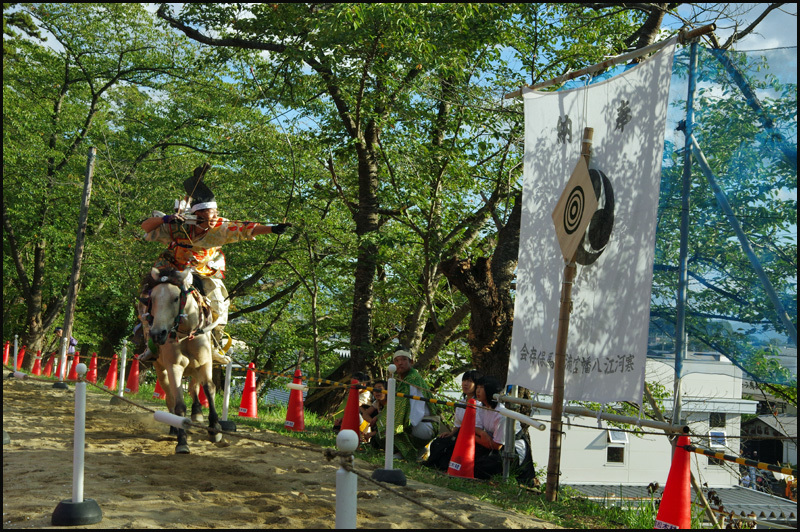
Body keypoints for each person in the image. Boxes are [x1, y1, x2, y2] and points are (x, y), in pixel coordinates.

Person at [138, 163, 290, 362]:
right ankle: (150, 343)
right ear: (197, 215)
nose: (215, 219)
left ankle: (215, 345)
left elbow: (246, 229)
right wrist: (167, 219)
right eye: (210, 217)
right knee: (147, 297)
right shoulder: (177, 225)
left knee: (220, 304)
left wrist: (273, 228)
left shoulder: (219, 227)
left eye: (216, 215)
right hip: (173, 266)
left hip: (204, 270)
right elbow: (146, 227)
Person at [376, 347, 442, 461]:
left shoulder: (412, 380)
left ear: (411, 362)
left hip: (424, 424)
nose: (400, 363)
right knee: (382, 432)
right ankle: (413, 450)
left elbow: (414, 413)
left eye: (403, 360)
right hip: (423, 423)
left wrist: (394, 424)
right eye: (396, 360)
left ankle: (409, 452)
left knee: (390, 429)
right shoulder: (407, 379)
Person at [472, 375, 531, 481]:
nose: (478, 391)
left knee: (481, 465)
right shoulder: (481, 407)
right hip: (488, 441)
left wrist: (473, 437)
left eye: (482, 388)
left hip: (512, 450)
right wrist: (483, 434)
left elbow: (496, 445)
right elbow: (476, 427)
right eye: (477, 388)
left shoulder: (501, 414)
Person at [423, 369, 482, 471]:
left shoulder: (480, 405)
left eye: (470, 381)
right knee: (438, 442)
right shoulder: (461, 402)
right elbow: (458, 425)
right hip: (459, 433)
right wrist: (450, 433)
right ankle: (432, 464)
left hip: (471, 437)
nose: (465, 384)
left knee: (449, 449)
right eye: (464, 380)